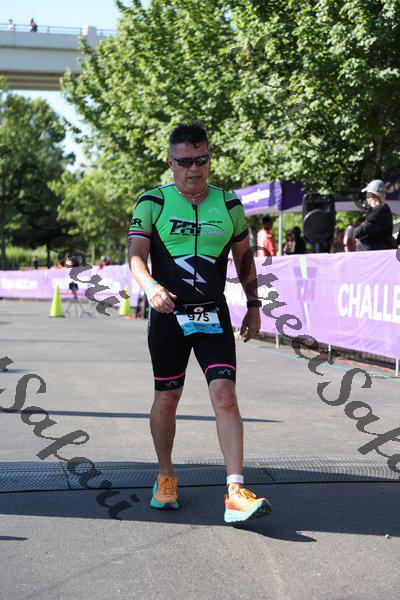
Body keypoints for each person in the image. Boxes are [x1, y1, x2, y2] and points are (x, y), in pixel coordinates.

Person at [128, 121, 272, 524]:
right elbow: (136, 256)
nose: (194, 169)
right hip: (168, 315)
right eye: (185, 162)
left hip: (212, 312)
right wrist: (150, 287)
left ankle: (235, 491)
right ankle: (165, 475)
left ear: (209, 159)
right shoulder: (152, 202)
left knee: (225, 394)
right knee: (167, 397)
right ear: (170, 162)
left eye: (202, 160)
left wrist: (254, 304)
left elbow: (244, 259)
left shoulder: (229, 205)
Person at [354, 180, 393, 251]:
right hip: (375, 253)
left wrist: (358, 229)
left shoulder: (381, 209)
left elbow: (360, 231)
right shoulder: (377, 209)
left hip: (376, 254)